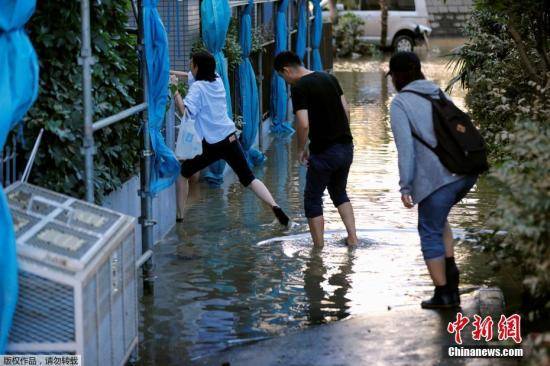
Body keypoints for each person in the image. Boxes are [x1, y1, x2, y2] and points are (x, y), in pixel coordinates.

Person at [387, 52, 478, 309]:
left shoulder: (400, 103)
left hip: (439, 179)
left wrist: (405, 186)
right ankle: (452, 280)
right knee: (439, 221)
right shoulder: (436, 91)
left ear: (396, 76)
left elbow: (406, 149)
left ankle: (444, 294)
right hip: (464, 173)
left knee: (428, 230)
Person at [171, 51, 289, 226]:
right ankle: (276, 207)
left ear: (197, 67)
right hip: (230, 138)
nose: (189, 67)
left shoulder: (197, 88)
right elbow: (189, 76)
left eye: (191, 64)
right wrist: (171, 73)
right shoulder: (216, 79)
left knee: (183, 174)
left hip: (211, 145)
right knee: (249, 178)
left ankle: (180, 218)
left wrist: (174, 90)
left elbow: (186, 113)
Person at [274, 51, 358, 247]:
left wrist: (301, 149)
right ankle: (353, 237)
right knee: (339, 193)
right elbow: (346, 110)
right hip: (346, 147)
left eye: (282, 77)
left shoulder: (299, 87)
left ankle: (318, 251)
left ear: (286, 70)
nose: (285, 81)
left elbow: (303, 124)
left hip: (325, 152)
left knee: (312, 199)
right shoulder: (330, 77)